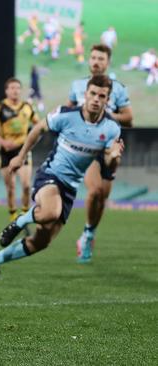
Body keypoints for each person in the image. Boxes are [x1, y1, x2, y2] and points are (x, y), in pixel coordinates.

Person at [0, 75, 122, 279]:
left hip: (71, 188)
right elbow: (38, 129)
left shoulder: (111, 128)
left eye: (102, 95)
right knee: (51, 212)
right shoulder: (65, 114)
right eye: (93, 94)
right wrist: (20, 157)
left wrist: (113, 157)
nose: (96, 99)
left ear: (107, 99)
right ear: (85, 94)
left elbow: (108, 167)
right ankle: (20, 222)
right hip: (51, 175)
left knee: (41, 242)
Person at [68, 44, 133, 263]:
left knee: (102, 198)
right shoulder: (78, 85)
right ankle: (87, 236)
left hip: (111, 147)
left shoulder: (118, 88)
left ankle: (89, 233)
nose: (96, 62)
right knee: (94, 191)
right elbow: (68, 110)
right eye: (93, 57)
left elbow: (129, 118)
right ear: (88, 60)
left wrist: (108, 115)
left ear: (108, 62)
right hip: (87, 147)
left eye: (101, 59)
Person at [0, 78, 39, 222]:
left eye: (17, 88)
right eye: (12, 88)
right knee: (11, 187)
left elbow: (39, 126)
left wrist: (30, 139)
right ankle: (13, 215)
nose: (15, 91)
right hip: (6, 152)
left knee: (26, 185)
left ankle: (25, 214)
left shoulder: (27, 107)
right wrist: (2, 141)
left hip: (23, 151)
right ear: (6, 91)